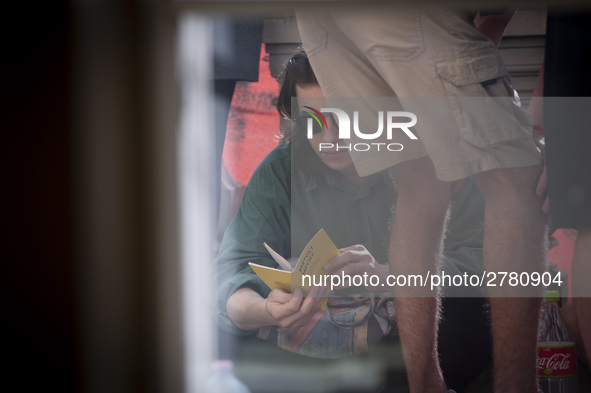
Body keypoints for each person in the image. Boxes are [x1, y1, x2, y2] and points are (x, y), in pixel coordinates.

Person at [295, 6, 547, 393]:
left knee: (419, 183)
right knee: (517, 177)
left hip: (324, 20)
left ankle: (426, 387)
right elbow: (494, 21)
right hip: (409, 18)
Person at [213, 50, 491, 392]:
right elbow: (231, 274)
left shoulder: (431, 158)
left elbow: (489, 264)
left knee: (473, 317)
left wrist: (389, 276)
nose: (329, 140)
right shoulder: (279, 171)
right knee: (222, 329)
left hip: (411, 338)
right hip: (312, 340)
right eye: (312, 121)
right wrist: (266, 310)